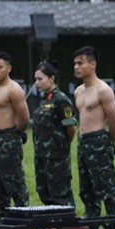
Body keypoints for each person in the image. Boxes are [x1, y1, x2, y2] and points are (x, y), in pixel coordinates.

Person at [73, 46, 115, 229]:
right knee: (87, 190)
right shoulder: (78, 91)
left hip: (99, 140)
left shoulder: (103, 90)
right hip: (83, 142)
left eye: (80, 63)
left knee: (107, 188)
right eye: (75, 63)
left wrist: (107, 143)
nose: (76, 67)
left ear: (92, 64)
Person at [0, 52, 30, 218]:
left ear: (9, 68)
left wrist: (15, 134)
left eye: (0, 67)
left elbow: (25, 117)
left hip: (9, 137)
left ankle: (22, 219)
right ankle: (3, 218)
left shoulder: (14, 89)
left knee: (14, 181)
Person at [32, 60, 76, 207]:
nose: (37, 83)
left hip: (57, 158)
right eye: (35, 79)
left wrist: (61, 148)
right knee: (44, 192)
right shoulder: (44, 100)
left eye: (40, 79)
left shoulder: (61, 100)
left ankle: (66, 226)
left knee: (60, 193)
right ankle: (53, 224)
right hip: (42, 156)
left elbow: (70, 129)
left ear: (51, 79)